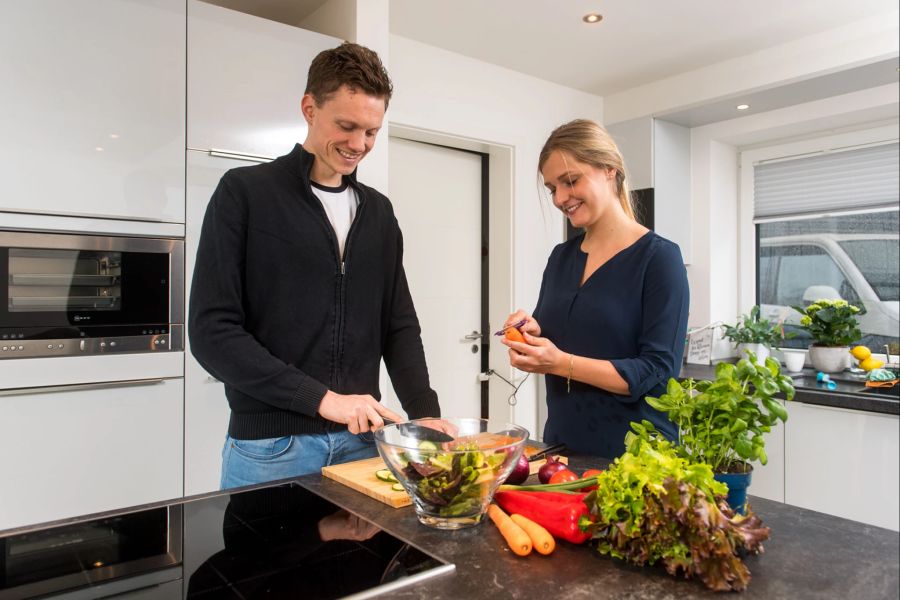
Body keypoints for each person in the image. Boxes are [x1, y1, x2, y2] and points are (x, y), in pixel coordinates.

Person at [189, 42, 440, 489]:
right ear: (310, 108)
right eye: (346, 126)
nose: (358, 145)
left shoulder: (378, 213)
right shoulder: (245, 194)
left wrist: (426, 414)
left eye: (371, 132)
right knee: (264, 563)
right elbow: (212, 332)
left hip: (363, 444)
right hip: (272, 449)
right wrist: (323, 400)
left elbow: (399, 327)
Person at [501, 119, 689, 458]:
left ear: (609, 170)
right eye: (551, 188)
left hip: (636, 457)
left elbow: (657, 370)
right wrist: (529, 332)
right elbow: (556, 335)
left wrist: (558, 363)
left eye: (570, 181)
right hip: (562, 449)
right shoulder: (561, 257)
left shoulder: (659, 258)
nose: (559, 198)